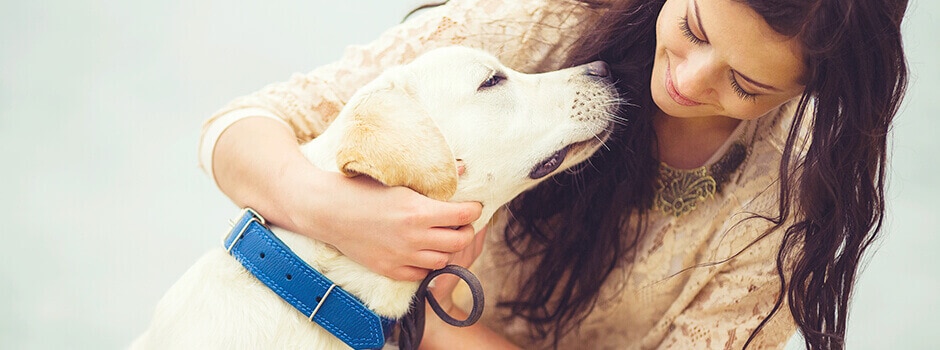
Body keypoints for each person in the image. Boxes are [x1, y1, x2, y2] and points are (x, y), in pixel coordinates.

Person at [198, 0, 909, 348]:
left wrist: (437, 324)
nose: (689, 80)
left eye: (745, 84)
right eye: (692, 28)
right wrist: (327, 209)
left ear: (807, 91)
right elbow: (243, 127)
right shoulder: (546, 24)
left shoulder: (792, 203)